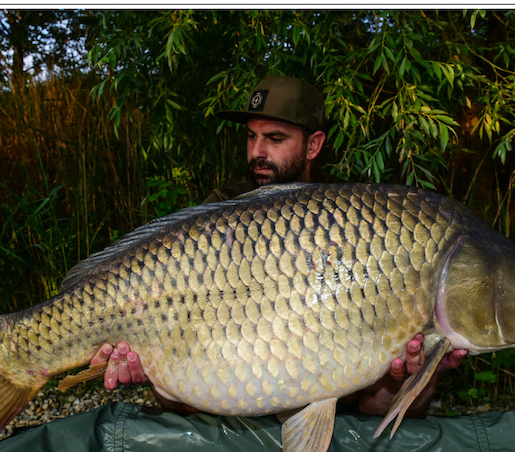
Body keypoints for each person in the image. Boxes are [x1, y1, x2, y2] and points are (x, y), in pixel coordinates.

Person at [88, 76, 467, 416]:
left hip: (331, 396)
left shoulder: (355, 221)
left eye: (275, 139)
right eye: (251, 136)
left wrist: (420, 371)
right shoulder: (215, 216)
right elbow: (182, 397)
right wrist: (150, 370)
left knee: (404, 374)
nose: (257, 151)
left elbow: (372, 404)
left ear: (314, 145)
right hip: (226, 393)